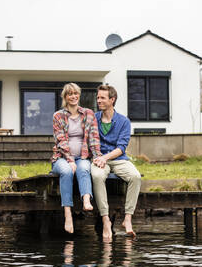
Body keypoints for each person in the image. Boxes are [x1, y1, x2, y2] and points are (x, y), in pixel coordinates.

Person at [91, 85, 141, 240]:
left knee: (135, 176)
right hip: (99, 159)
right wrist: (98, 157)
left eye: (102, 98)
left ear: (112, 100)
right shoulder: (93, 118)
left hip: (118, 159)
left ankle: (127, 219)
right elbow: (90, 141)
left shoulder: (124, 121)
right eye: (98, 97)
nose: (99, 100)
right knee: (97, 176)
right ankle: (105, 220)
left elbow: (121, 148)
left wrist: (105, 158)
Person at [51, 83, 101, 234]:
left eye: (75, 93)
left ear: (79, 95)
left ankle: (86, 200)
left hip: (83, 156)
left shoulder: (88, 114)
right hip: (62, 158)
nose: (73, 96)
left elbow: (94, 138)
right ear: (65, 97)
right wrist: (70, 159)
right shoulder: (58, 116)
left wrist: (97, 157)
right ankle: (68, 214)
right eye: (70, 94)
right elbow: (61, 140)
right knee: (66, 171)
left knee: (85, 168)